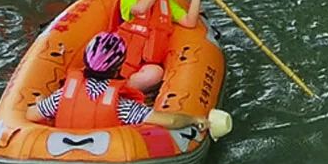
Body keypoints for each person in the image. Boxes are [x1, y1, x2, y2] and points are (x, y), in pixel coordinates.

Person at [28, 32, 211, 133]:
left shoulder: (62, 96)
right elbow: (171, 119)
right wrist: (194, 119)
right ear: (118, 68)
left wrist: (42, 101)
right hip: (111, 160)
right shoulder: (122, 107)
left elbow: (31, 115)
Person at [114, 0, 202, 92]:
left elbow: (190, 22)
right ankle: (115, 90)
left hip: (144, 66)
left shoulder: (166, 3)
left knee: (155, 73)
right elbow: (140, 9)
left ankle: (121, 91)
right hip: (119, 61)